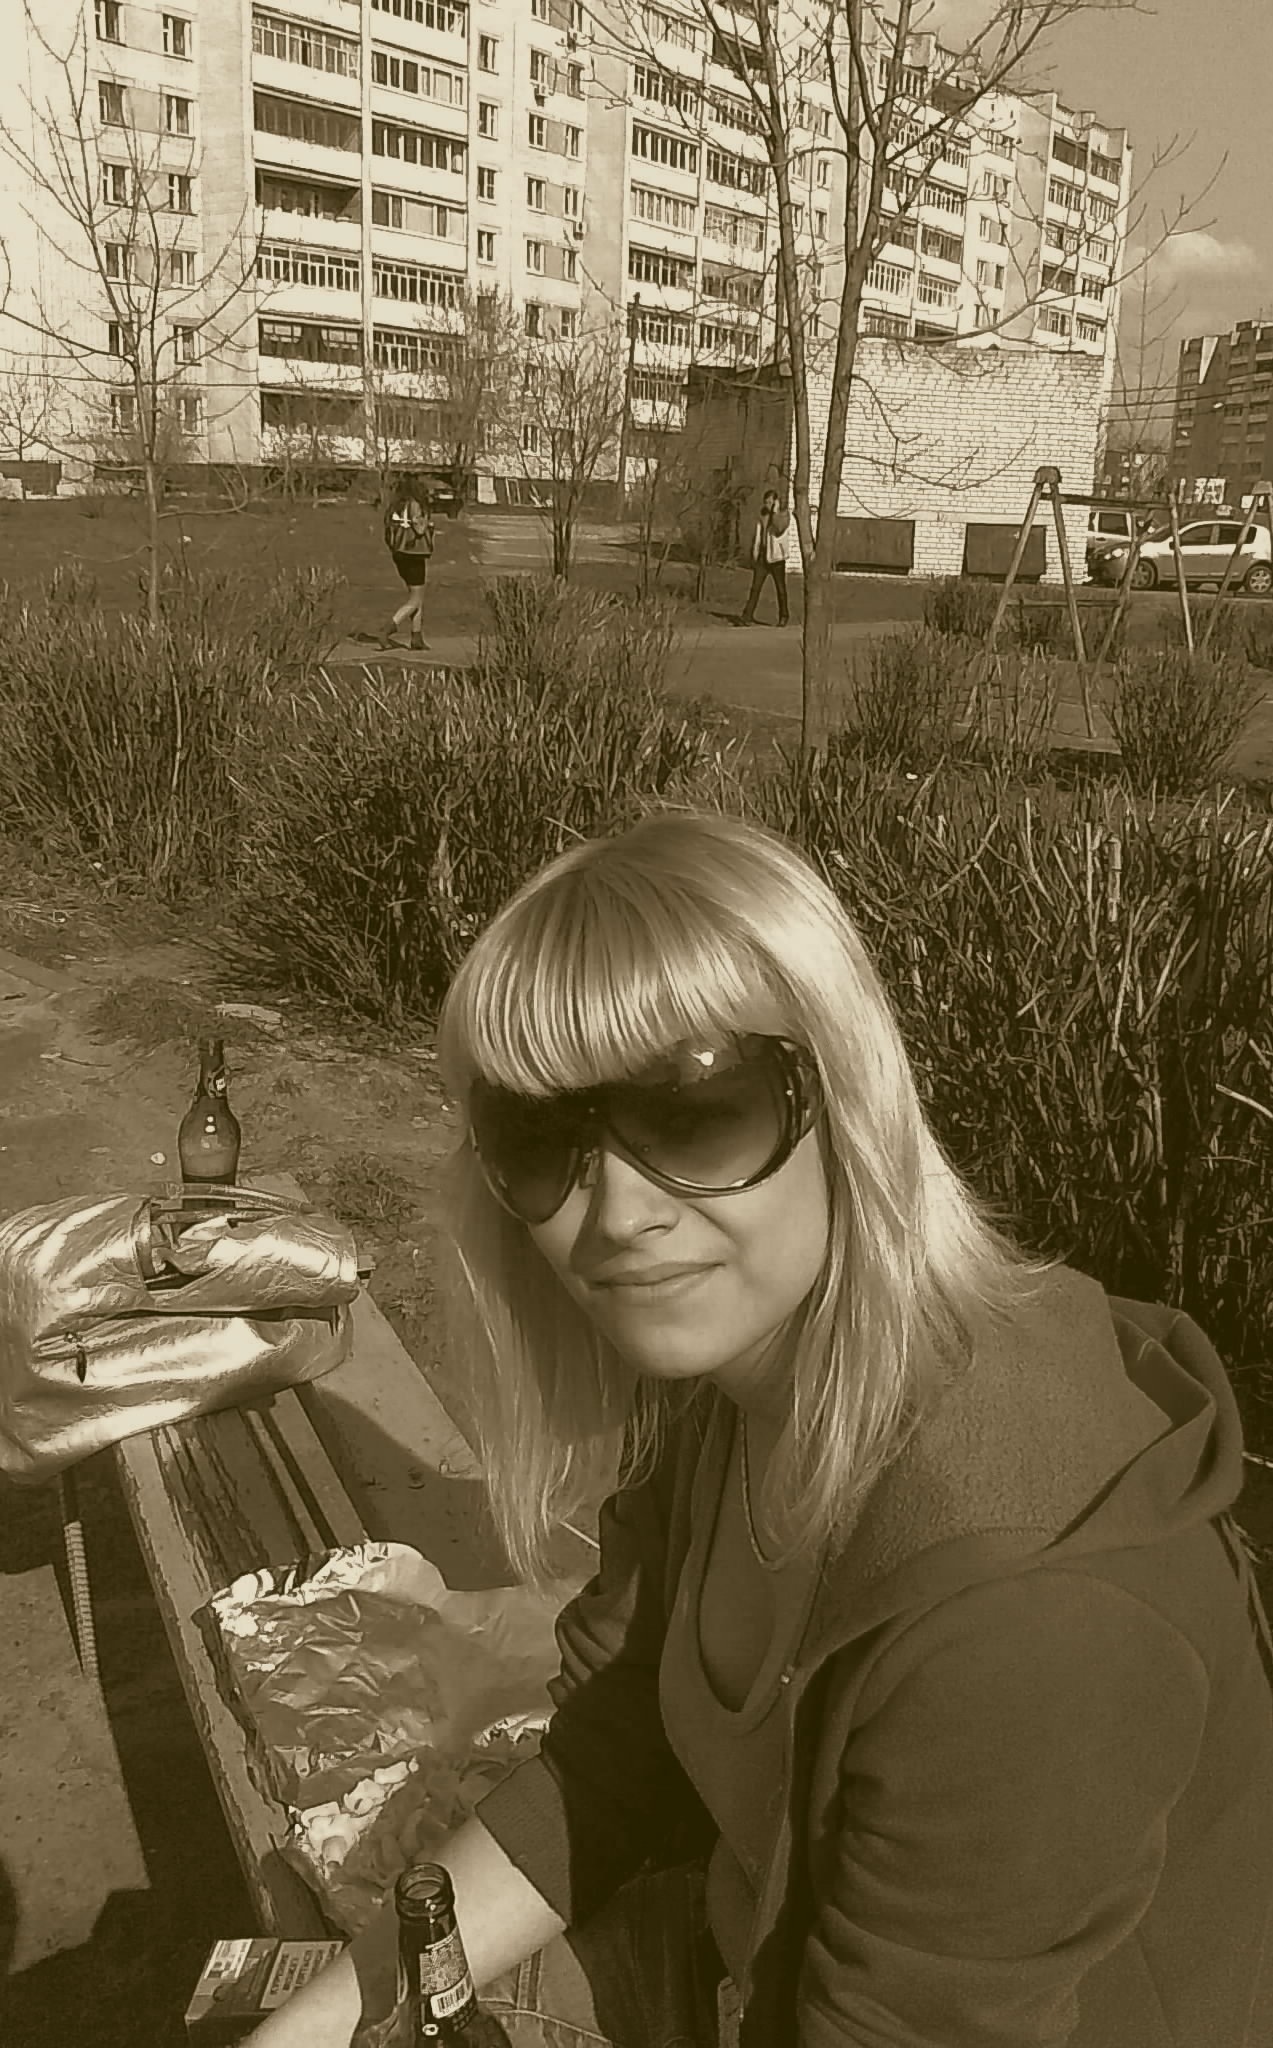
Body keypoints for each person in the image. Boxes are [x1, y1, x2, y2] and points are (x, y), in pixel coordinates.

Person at [247, 809, 1273, 2048]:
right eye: (542, 1136)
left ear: (846, 1093)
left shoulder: (1028, 1612)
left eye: (696, 1109)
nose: (617, 1214)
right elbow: (615, 1754)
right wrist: (305, 2028)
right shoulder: (729, 1386)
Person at [379, 474, 435, 650]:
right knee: (416, 598)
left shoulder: (395, 506)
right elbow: (420, 529)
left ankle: (416, 637)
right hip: (414, 553)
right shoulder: (414, 505)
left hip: (399, 553)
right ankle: (390, 626)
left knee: (417, 596)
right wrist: (428, 522)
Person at [739, 488, 790, 626]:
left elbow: (779, 529)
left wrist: (775, 512)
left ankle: (784, 615)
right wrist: (755, 551)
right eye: (766, 502)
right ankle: (747, 615)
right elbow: (758, 532)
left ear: (775, 502)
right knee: (755, 587)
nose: (767, 505)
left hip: (776, 558)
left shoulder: (783, 515)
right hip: (763, 556)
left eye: (770, 502)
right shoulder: (762, 515)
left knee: (780, 588)